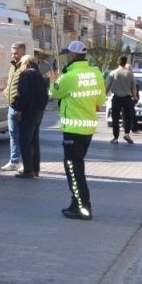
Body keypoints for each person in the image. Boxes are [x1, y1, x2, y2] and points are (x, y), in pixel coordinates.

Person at [49, 40, 107, 220]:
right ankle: (76, 203)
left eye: (68, 54)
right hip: (88, 128)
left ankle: (83, 208)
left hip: (73, 129)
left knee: (74, 170)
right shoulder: (96, 73)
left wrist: (54, 79)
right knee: (77, 168)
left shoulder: (69, 77)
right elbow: (101, 100)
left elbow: (54, 93)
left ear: (72, 56)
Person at [12, 54, 49, 179]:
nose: (20, 67)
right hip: (39, 112)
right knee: (34, 140)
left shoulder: (25, 74)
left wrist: (19, 109)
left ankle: (28, 170)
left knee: (25, 140)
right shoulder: (40, 76)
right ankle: (36, 169)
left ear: (26, 63)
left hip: (28, 112)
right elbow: (46, 95)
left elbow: (23, 94)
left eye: (21, 64)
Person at [0, 42, 27, 172]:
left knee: (23, 137)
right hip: (11, 106)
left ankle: (27, 163)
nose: (14, 55)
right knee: (13, 136)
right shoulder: (13, 66)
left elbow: (26, 90)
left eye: (16, 52)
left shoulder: (26, 66)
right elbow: (10, 84)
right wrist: (6, 93)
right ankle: (14, 162)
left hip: (20, 108)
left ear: (23, 52)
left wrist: (21, 109)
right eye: (12, 53)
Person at [106, 55, 139, 145]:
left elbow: (107, 85)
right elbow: (133, 86)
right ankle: (127, 134)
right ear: (125, 62)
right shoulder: (129, 73)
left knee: (115, 118)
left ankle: (115, 138)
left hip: (116, 97)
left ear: (118, 62)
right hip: (127, 98)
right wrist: (135, 97)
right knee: (128, 117)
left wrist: (104, 95)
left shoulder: (113, 73)